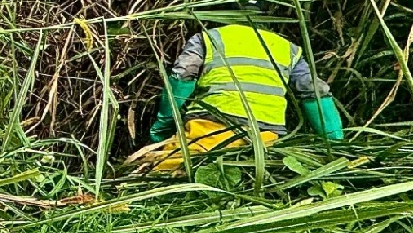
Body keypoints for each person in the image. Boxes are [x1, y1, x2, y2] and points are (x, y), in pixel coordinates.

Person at [138, 12, 343, 172]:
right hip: (265, 140)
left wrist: (163, 126)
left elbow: (182, 77)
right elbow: (315, 93)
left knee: (166, 173)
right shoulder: (287, 48)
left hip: (209, 127)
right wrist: (337, 147)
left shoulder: (209, 38)